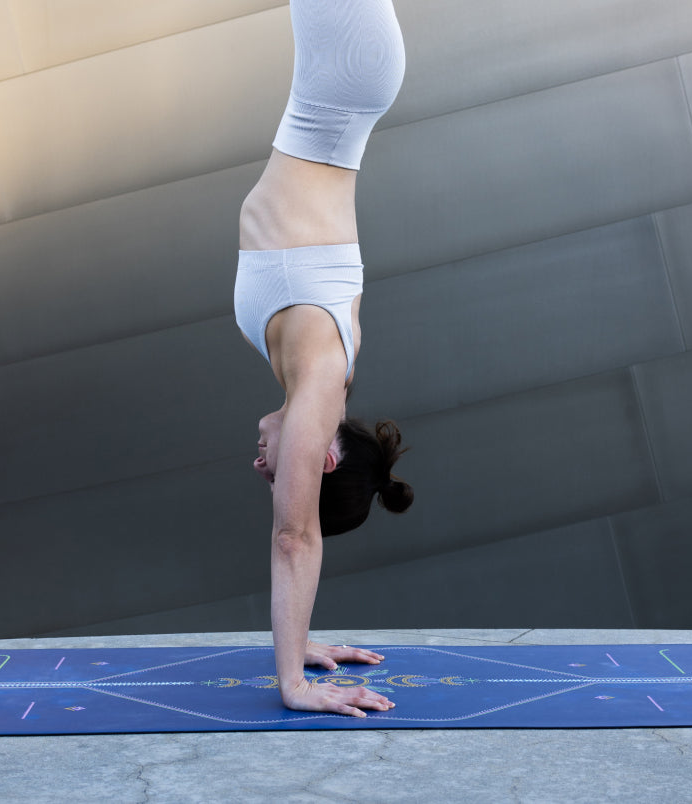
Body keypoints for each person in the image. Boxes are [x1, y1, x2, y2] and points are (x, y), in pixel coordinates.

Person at [233, 0, 413, 717]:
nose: (260, 465)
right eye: (276, 473)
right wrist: (294, 683)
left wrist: (299, 636)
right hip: (344, 81)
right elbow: (293, 535)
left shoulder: (305, 369)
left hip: (337, 91)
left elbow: (297, 525)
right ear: (323, 459)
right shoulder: (319, 388)